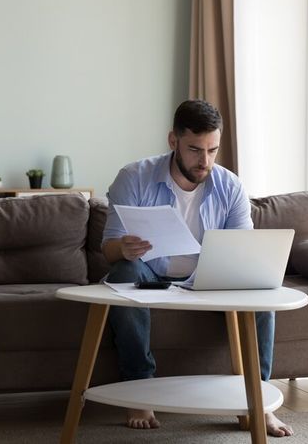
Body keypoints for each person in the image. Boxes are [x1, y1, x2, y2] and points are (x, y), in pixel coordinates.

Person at [101, 99, 293, 437]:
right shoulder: (134, 177)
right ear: (173, 141)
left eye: (212, 150)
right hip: (148, 274)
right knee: (123, 275)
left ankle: (256, 400)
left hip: (207, 279)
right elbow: (109, 249)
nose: (204, 161)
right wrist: (124, 248)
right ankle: (139, 390)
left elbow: (241, 252)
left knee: (261, 293)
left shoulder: (229, 186)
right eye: (194, 149)